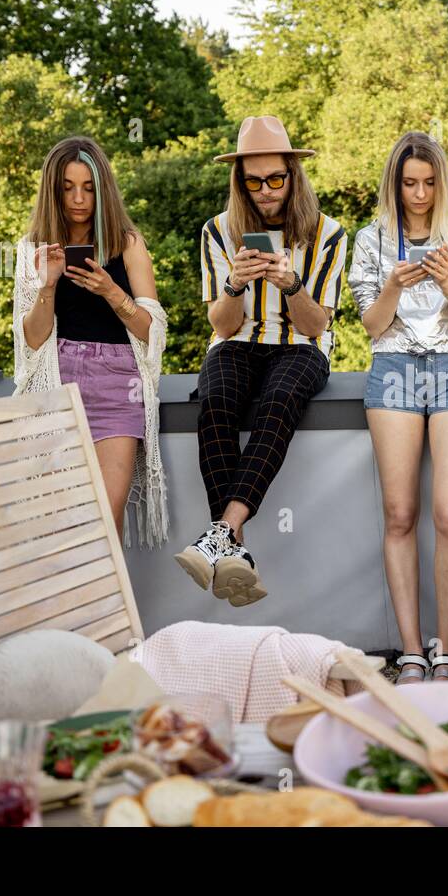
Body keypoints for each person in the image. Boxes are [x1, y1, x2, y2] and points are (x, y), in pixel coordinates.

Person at [174, 115, 347, 606]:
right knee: (217, 400)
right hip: (238, 341)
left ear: (295, 175)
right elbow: (222, 326)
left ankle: (221, 534)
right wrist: (234, 284)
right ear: (240, 183)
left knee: (279, 400)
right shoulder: (218, 231)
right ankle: (236, 553)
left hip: (300, 346)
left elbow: (317, 326)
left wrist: (291, 284)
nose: (266, 190)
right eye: (254, 181)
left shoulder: (328, 233)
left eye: (276, 178)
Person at [348, 132, 448, 683]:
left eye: (430, 183)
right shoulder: (371, 240)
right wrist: (391, 285)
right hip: (393, 369)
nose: (420, 193)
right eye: (409, 183)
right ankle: (411, 650)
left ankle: (447, 650)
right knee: (399, 515)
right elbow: (370, 325)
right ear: (394, 183)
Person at [13, 135, 168, 547]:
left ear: (102, 190)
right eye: (67, 187)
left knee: (105, 514)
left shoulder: (128, 244)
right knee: (61, 519)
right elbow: (31, 340)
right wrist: (47, 286)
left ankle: (112, 612)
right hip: (59, 382)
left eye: (88, 187)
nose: (79, 199)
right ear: (53, 191)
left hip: (119, 384)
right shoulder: (33, 248)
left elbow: (153, 333)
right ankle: (70, 610)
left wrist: (111, 292)